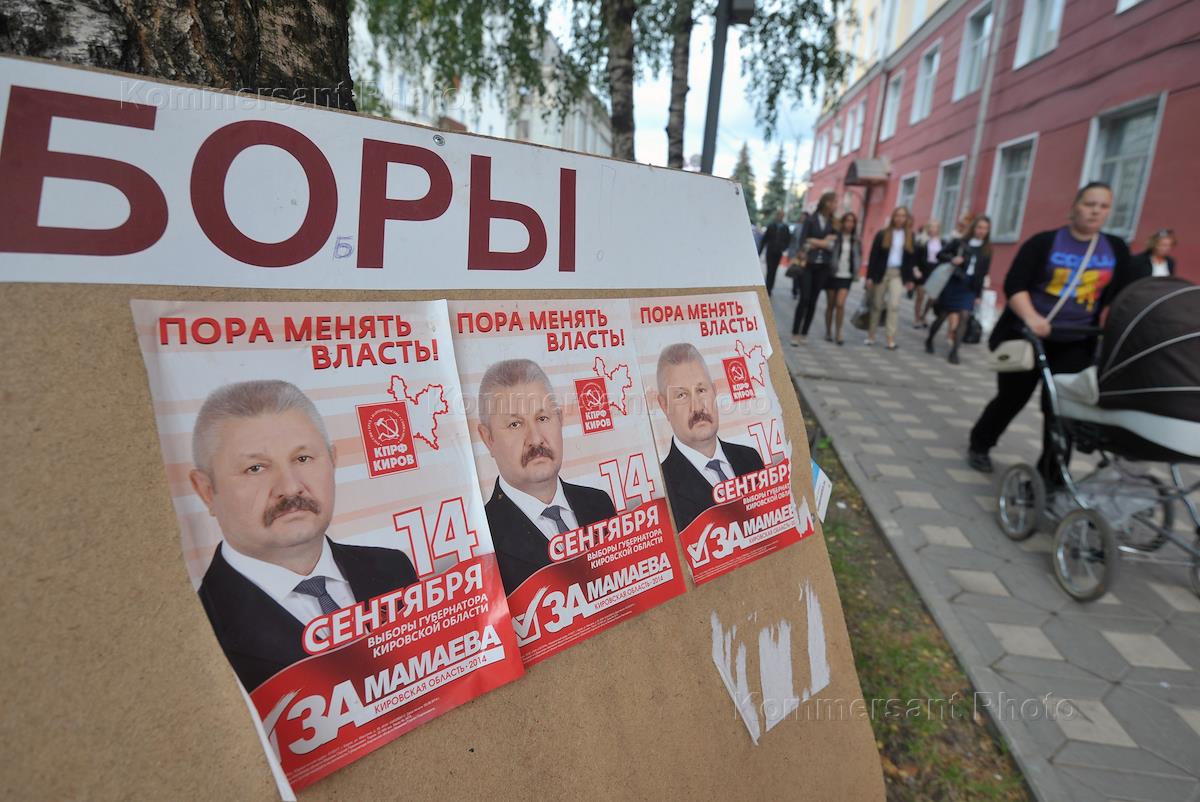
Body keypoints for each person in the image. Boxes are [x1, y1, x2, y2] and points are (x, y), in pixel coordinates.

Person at [190, 380, 419, 692]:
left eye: (302, 459)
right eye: (255, 468)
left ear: (332, 461)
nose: (290, 487)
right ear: (206, 491)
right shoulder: (200, 627)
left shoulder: (394, 568)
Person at [967, 182, 1135, 475]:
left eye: (1103, 206)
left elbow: (1123, 295)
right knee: (1012, 398)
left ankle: (1052, 475)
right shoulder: (1044, 242)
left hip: (1076, 341)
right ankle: (980, 443)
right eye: (1089, 204)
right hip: (1028, 336)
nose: (1095, 211)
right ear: (1074, 207)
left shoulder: (1116, 249)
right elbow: (1015, 284)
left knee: (1062, 408)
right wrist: (1032, 318)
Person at [477, 359, 617, 594]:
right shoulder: (485, 540)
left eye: (542, 418)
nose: (535, 439)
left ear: (559, 420)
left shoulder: (600, 503)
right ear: (488, 438)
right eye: (515, 424)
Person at [655, 343, 766, 532]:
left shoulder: (751, 458)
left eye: (701, 390)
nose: (698, 407)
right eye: (681, 395)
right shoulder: (663, 486)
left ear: (714, 391)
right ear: (664, 406)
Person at [925, 215, 992, 364]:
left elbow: (983, 273)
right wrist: (952, 259)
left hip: (969, 287)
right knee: (943, 315)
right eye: (979, 227)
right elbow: (940, 254)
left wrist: (978, 295)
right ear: (973, 228)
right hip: (954, 283)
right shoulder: (960, 242)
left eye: (985, 228)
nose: (982, 231)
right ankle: (929, 339)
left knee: (964, 316)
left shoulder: (987, 250)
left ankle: (954, 351)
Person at [864, 206, 917, 349]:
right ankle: (871, 335)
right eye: (897, 215)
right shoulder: (882, 234)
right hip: (881, 272)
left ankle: (890, 338)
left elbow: (911, 259)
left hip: (898, 274)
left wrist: (910, 279)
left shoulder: (910, 236)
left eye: (903, 216)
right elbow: (873, 256)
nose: (900, 218)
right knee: (877, 304)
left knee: (894, 305)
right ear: (893, 217)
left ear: (907, 218)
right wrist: (869, 277)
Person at [791, 193, 837, 344]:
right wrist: (824, 242)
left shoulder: (833, 223)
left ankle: (804, 333)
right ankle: (795, 333)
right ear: (826, 203)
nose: (836, 205)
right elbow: (803, 242)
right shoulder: (811, 220)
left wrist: (815, 241)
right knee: (804, 298)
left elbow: (833, 245)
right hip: (807, 265)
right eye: (834, 202)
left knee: (813, 301)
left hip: (823, 266)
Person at [823, 211, 860, 345]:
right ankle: (828, 331)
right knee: (830, 305)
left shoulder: (856, 240)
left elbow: (858, 256)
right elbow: (827, 248)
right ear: (843, 222)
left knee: (840, 304)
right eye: (847, 221)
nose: (849, 224)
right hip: (832, 274)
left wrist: (856, 271)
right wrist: (828, 240)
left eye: (852, 221)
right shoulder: (835, 237)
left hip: (846, 276)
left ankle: (839, 333)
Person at [913, 221, 943, 328]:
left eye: (935, 227)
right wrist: (915, 269)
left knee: (932, 297)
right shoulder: (922, 241)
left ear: (938, 229)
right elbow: (915, 257)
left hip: (936, 270)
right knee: (920, 296)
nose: (932, 229)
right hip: (923, 269)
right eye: (930, 227)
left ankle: (924, 315)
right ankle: (916, 318)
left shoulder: (942, 242)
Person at [757, 210, 792, 296]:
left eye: (782, 215)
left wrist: (783, 247)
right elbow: (765, 239)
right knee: (769, 270)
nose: (780, 217)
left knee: (774, 270)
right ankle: (767, 287)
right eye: (779, 215)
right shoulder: (771, 226)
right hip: (770, 252)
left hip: (778, 253)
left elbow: (788, 240)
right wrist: (759, 252)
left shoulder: (785, 227)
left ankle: (770, 287)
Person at [788, 211, 811, 298]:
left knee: (803, 273)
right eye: (801, 216)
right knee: (795, 271)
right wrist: (791, 254)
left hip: (806, 255)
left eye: (804, 217)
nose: (802, 218)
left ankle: (801, 289)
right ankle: (795, 290)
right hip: (796, 254)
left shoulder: (809, 227)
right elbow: (792, 241)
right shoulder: (797, 227)